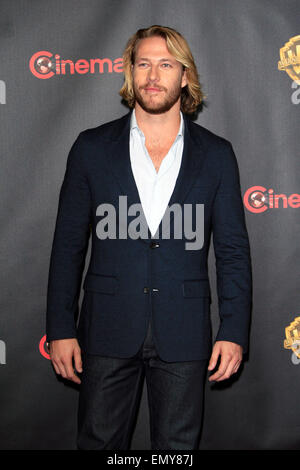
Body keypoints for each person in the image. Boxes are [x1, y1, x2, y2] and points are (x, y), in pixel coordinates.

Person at [46, 25, 252, 450]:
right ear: (130, 73)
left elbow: (232, 252)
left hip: (185, 331)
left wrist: (233, 330)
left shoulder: (216, 154)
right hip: (105, 329)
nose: (153, 75)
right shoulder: (90, 147)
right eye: (143, 64)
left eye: (165, 64)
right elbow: (68, 246)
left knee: (177, 451)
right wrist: (61, 326)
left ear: (185, 77)